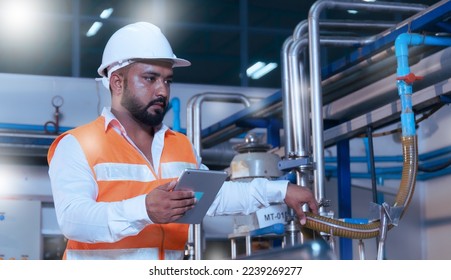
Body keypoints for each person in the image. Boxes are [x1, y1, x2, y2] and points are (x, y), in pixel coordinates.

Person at [47, 22, 318, 260]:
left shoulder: (180, 145)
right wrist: (144, 209)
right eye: (150, 78)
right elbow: (74, 219)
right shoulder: (77, 144)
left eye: (167, 80)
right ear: (117, 83)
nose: (161, 90)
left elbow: (215, 198)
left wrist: (280, 191)